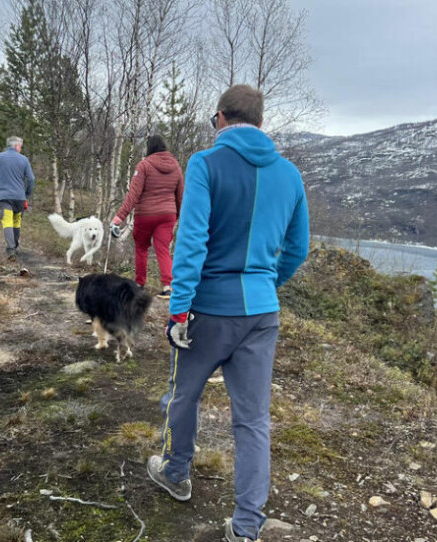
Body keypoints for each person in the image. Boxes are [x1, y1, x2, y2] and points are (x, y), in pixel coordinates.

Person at [145, 85, 310, 542]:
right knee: (253, 420)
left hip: (209, 311)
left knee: (182, 396)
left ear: (220, 117)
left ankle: (175, 473)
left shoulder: (205, 163)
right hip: (261, 314)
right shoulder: (290, 174)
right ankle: (246, 527)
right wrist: (264, 284)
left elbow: (191, 240)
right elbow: (298, 249)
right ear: (260, 121)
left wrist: (179, 311)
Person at [110, 134, 184, 299]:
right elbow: (180, 196)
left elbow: (133, 195)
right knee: (163, 249)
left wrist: (119, 218)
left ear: (149, 148)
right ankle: (168, 287)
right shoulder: (176, 168)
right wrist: (177, 216)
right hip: (167, 215)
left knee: (141, 248)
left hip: (145, 215)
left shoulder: (144, 165)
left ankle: (139, 284)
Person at [0, 136, 35, 261]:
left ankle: (11, 250)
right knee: (16, 221)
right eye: (20, 147)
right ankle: (16, 247)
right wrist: (26, 195)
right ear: (16, 146)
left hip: (4, 198)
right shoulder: (24, 159)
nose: (21, 149)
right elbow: (31, 179)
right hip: (19, 198)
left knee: (7, 222)